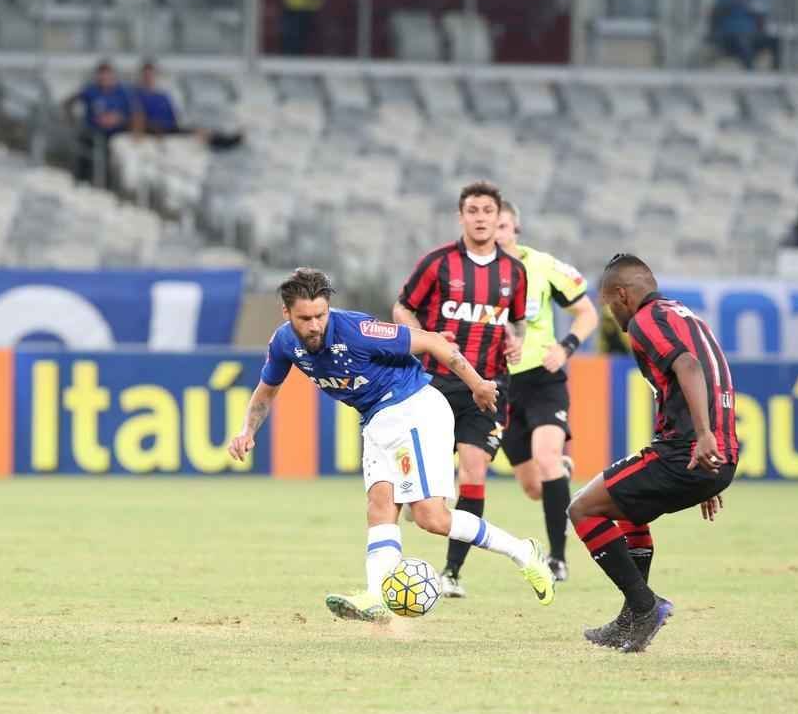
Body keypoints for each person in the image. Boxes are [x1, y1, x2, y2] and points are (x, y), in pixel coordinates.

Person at [228, 267, 554, 623]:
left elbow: (433, 341)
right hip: (376, 420)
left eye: (321, 315)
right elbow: (267, 391)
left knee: (431, 517)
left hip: (412, 409)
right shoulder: (283, 343)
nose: (315, 325)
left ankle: (523, 552)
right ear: (286, 313)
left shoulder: (357, 329)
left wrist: (477, 384)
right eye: (305, 318)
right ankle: (375, 595)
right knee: (380, 504)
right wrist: (248, 430)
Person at [568, 254, 737, 653]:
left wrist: (702, 437)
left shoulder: (645, 320)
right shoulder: (685, 316)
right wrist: (710, 455)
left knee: (583, 509)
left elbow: (690, 366)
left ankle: (644, 607)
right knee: (626, 509)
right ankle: (632, 617)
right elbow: (706, 372)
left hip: (686, 451)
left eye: (610, 305)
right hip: (712, 456)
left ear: (622, 295)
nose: (612, 314)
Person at [392, 182, 531, 600]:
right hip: (432, 383)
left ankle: (452, 572)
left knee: (473, 470)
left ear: (497, 216)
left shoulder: (514, 272)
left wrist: (516, 339)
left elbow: (518, 322)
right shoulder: (437, 264)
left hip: (487, 387)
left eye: (488, 210)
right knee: (418, 482)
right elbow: (403, 307)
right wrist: (422, 338)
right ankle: (417, 511)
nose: (481, 217)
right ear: (461, 216)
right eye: (473, 210)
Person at [494, 201, 599, 584]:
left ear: (515, 230)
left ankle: (557, 559)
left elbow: (588, 312)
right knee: (534, 488)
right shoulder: (474, 275)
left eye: (504, 225)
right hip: (501, 385)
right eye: (492, 225)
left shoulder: (542, 266)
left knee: (547, 456)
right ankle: (561, 473)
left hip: (543, 379)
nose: (497, 232)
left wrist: (567, 346)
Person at [132, 60, 243, 149]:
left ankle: (223, 140)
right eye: (146, 75)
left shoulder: (162, 94)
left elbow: (173, 114)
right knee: (198, 133)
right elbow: (138, 116)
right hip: (156, 128)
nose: (149, 78)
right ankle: (221, 142)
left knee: (201, 130)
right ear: (142, 76)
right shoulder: (137, 93)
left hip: (170, 126)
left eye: (151, 75)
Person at [62, 60, 136, 187]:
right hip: (93, 132)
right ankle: (82, 181)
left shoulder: (123, 92)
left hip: (116, 134)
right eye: (102, 75)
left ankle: (108, 186)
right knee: (86, 148)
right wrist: (71, 119)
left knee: (112, 155)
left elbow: (133, 113)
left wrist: (118, 119)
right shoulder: (91, 90)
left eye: (108, 75)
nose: (105, 78)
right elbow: (68, 102)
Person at [709, 0, 780, 70]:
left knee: (776, 41)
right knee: (743, 41)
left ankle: (776, 74)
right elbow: (715, 14)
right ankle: (751, 76)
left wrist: (754, 11)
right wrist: (733, 4)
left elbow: (763, 18)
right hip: (731, 36)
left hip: (753, 35)